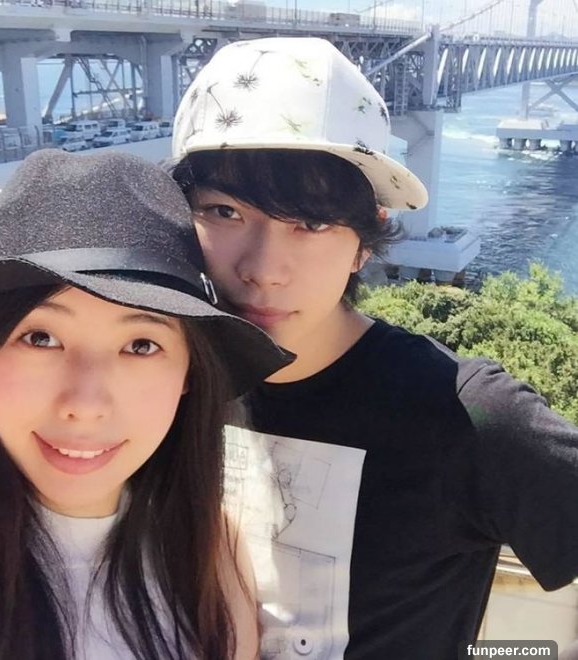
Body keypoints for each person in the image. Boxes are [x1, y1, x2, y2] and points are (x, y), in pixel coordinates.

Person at [171, 37, 578, 659]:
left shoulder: (468, 413)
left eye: (311, 224)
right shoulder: (163, 381)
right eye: (224, 212)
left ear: (365, 242)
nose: (263, 269)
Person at [0, 149, 293, 660]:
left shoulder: (209, 552)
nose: (86, 404)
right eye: (41, 338)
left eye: (141, 345)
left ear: (189, 373)